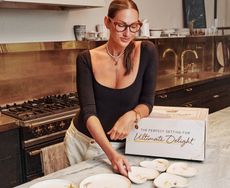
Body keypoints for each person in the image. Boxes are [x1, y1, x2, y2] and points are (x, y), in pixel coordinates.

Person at [64, 0, 159, 177]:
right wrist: (112, 155)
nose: (127, 33)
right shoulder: (86, 59)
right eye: (121, 25)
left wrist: (133, 115)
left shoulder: (146, 51)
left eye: (134, 26)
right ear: (107, 22)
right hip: (81, 141)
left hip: (119, 145)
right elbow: (89, 113)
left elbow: (147, 103)